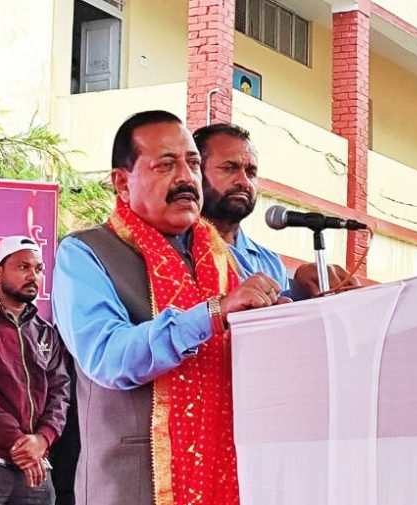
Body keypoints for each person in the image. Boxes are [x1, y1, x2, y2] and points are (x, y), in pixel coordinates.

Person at [52, 110, 287, 505]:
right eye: (165, 164)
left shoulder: (228, 261)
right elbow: (108, 357)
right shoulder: (85, 253)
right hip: (134, 486)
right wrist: (213, 313)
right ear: (121, 183)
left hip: (228, 479)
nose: (185, 178)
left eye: (193, 163)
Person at [193, 123, 358, 297]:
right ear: (196, 173)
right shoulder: (177, 249)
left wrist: (304, 291)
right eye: (229, 168)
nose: (243, 181)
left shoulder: (270, 262)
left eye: (251, 172)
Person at [0, 235, 70, 505]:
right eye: (23, 267)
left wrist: (43, 439)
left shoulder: (45, 332)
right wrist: (20, 444)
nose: (33, 276)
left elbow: (60, 393)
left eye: (39, 269)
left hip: (36, 471)